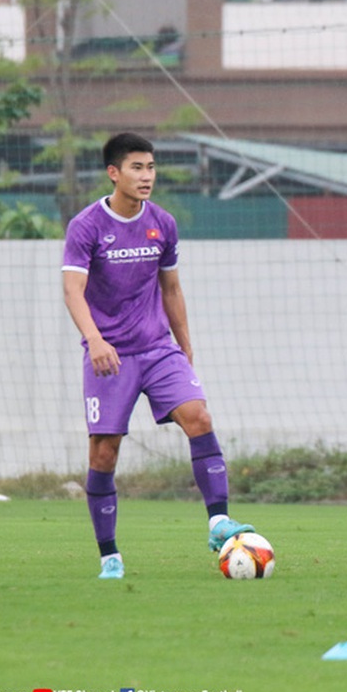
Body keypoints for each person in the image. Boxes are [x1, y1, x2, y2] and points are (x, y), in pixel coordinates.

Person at [62, 132, 254, 580]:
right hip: (110, 354)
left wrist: (184, 346)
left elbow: (171, 287)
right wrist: (95, 340)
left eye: (150, 167)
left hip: (157, 347)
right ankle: (109, 554)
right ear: (114, 173)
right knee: (104, 453)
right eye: (137, 168)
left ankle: (219, 520)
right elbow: (73, 291)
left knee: (199, 418)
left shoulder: (163, 223)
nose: (146, 176)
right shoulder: (86, 226)